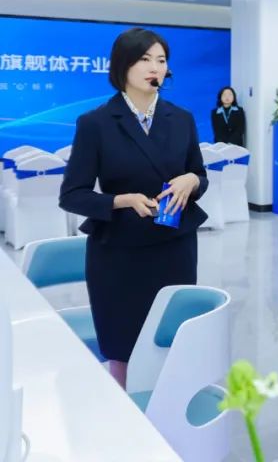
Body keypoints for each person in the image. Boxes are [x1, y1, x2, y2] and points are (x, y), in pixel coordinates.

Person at [59, 27, 208, 388]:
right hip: (119, 254)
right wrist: (120, 200)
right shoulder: (95, 123)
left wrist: (191, 180)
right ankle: (126, 412)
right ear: (122, 66)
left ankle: (166, 410)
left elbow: (200, 176)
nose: (155, 67)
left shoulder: (182, 119)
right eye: (144, 59)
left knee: (169, 339)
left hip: (174, 247)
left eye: (161, 60)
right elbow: (73, 195)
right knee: (124, 345)